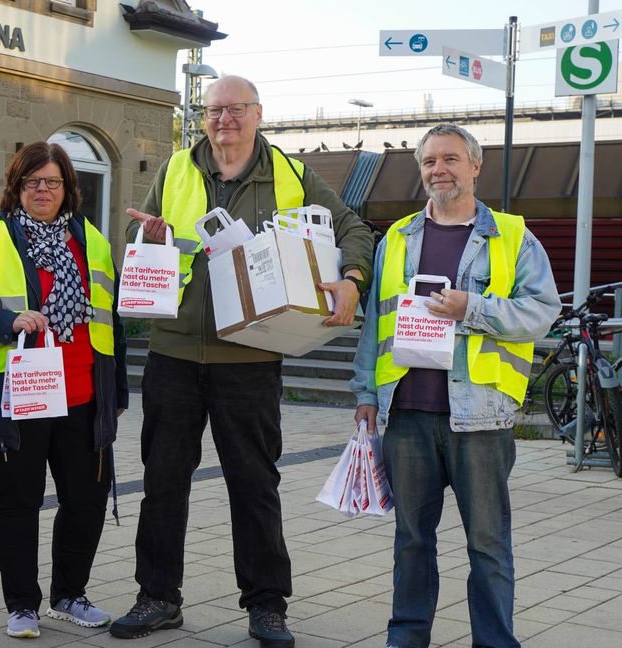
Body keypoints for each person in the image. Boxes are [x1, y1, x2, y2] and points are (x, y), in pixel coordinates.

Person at [111, 75, 375, 648]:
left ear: (258, 114)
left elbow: (354, 227)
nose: (224, 119)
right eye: (214, 110)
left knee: (255, 484)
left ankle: (267, 606)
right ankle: (157, 597)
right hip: (174, 352)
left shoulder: (289, 173)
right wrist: (148, 238)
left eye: (236, 109)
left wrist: (352, 277)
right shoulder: (176, 169)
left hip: (252, 354)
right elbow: (141, 244)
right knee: (163, 483)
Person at [352, 123, 561, 648]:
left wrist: (473, 309)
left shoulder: (512, 236)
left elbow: (542, 313)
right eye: (428, 162)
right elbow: (377, 323)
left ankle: (494, 642)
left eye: (449, 159)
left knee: (488, 545)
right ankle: (406, 637)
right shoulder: (396, 237)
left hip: (481, 418)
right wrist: (364, 395)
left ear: (475, 167)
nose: (438, 170)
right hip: (407, 414)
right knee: (411, 542)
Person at [0, 141, 128, 639]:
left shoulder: (91, 240)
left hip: (83, 396)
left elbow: (110, 320)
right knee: (17, 502)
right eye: (32, 183)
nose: (43, 191)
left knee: (86, 502)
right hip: (18, 396)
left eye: (52, 182)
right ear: (17, 188)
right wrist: (8, 321)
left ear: (69, 188)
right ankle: (22, 604)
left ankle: (70, 595)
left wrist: (116, 393)